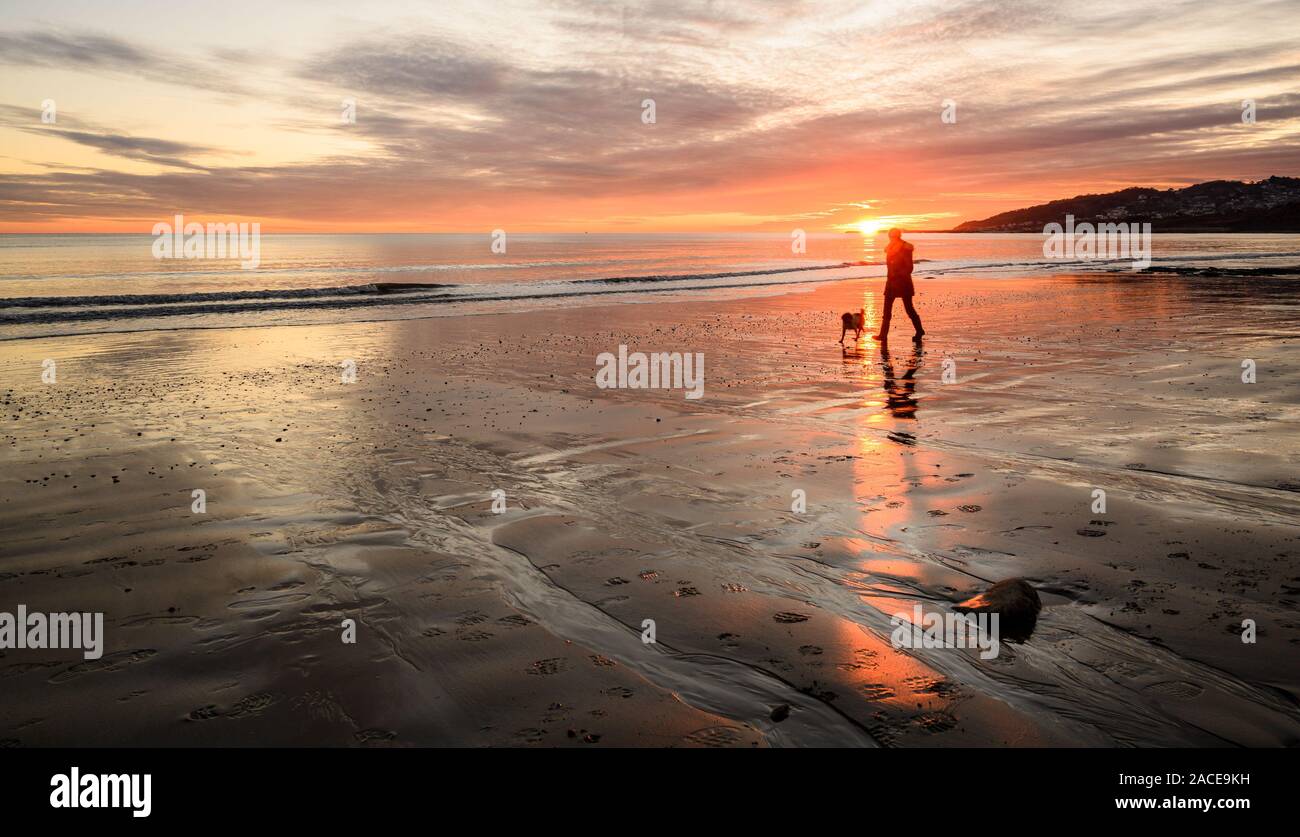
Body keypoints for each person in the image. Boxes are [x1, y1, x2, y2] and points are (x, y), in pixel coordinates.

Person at [874, 228, 924, 342]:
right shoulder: (890, 247)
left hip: (903, 283)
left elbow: (909, 267)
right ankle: (883, 335)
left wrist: (897, 275)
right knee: (886, 310)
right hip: (891, 282)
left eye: (893, 236)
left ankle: (919, 330)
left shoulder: (905, 248)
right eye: (890, 236)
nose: (891, 238)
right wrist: (892, 276)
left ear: (898, 236)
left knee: (909, 309)